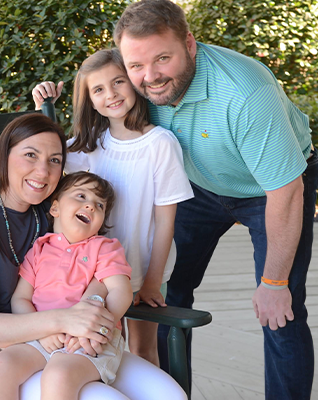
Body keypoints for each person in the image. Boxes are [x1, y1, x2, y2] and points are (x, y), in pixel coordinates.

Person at [112, 1, 318, 399]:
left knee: (280, 311)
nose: (150, 77)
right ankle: (171, 393)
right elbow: (94, 91)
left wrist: (273, 282)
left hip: (269, 190)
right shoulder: (133, 80)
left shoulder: (245, 93)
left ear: (189, 44)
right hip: (196, 186)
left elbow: (285, 191)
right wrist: (45, 98)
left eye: (163, 58)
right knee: (163, 295)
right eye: (135, 65)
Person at [0, 113, 187, 400]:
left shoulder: (48, 214)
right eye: (30, 155)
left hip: (77, 337)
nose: (43, 171)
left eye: (54, 160)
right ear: (3, 156)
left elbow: (98, 267)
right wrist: (65, 321)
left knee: (169, 395)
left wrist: (89, 308)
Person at [32, 48, 194, 367]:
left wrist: (150, 281)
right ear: (90, 101)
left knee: (143, 349)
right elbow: (47, 152)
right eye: (99, 89)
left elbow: (165, 222)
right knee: (92, 344)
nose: (112, 94)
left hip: (145, 265)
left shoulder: (160, 144)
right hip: (95, 271)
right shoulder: (90, 146)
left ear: (133, 82)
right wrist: (43, 107)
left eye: (118, 82)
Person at [0, 171, 133, 399]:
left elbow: (120, 290)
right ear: (55, 208)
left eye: (100, 205)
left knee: (58, 375)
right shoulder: (39, 249)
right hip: (43, 336)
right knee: (1, 364)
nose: (91, 206)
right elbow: (20, 298)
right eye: (81, 196)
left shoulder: (104, 247)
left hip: (88, 340)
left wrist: (96, 327)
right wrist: (41, 332)